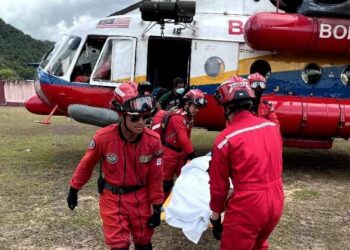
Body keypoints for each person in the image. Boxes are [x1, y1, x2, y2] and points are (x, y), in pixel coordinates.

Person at [67, 81, 164, 250]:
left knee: (143, 242)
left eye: (145, 117)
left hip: (141, 199)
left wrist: (157, 206)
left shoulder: (153, 141)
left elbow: (155, 177)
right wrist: (74, 189)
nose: (141, 122)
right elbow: (86, 165)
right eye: (134, 118)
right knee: (118, 245)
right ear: (121, 115)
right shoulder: (103, 138)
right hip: (113, 198)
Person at [209, 76, 284, 250]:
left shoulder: (225, 139)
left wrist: (215, 216)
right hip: (276, 199)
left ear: (226, 107)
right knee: (259, 244)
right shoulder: (272, 128)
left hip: (248, 205)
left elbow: (219, 187)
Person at [158, 89, 207, 201]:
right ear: (187, 104)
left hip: (180, 154)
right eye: (195, 107)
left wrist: (187, 154)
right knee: (166, 184)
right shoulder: (178, 117)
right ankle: (160, 206)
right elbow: (183, 138)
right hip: (169, 154)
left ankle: (180, 204)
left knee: (185, 182)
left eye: (198, 108)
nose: (197, 110)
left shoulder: (188, 118)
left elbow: (186, 138)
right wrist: (191, 154)